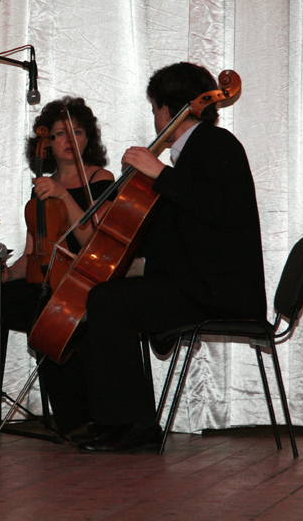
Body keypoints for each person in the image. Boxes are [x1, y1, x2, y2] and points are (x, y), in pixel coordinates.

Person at [75, 61, 266, 452]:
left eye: (154, 109)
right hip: (197, 283)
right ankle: (116, 421)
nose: (155, 118)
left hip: (219, 289)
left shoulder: (216, 143)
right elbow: (179, 229)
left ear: (166, 108)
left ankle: (135, 425)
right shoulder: (192, 154)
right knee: (106, 295)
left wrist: (159, 173)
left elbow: (220, 213)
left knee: (109, 302)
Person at [0, 97, 114, 433]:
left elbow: (94, 240)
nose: (69, 139)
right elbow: (33, 253)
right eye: (60, 134)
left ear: (88, 139)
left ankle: (76, 417)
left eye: (77, 132)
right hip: (47, 282)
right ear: (48, 144)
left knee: (45, 308)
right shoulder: (41, 189)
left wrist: (62, 195)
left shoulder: (101, 179)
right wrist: (6, 273)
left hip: (82, 286)